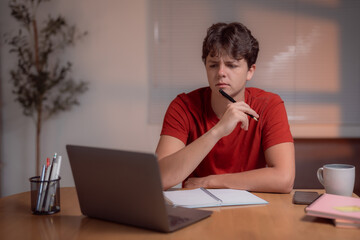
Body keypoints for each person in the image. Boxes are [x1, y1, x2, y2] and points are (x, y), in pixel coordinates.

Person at [155, 22, 295, 193]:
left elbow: (284, 179)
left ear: (250, 71)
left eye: (232, 65)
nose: (221, 72)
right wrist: (218, 131)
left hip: (251, 207)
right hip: (198, 206)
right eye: (213, 65)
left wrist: (210, 181)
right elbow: (158, 178)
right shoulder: (183, 106)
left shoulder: (269, 105)